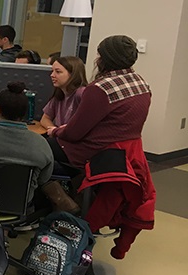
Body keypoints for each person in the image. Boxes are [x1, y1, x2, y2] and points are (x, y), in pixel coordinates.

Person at [51, 35, 154, 259]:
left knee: (39, 151)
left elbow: (75, 133)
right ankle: (73, 198)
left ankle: (60, 206)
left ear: (104, 59)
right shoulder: (141, 83)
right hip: (127, 154)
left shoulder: (101, 88)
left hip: (95, 155)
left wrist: (56, 131)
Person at [40, 56, 87, 132]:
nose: (52, 75)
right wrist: (54, 129)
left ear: (72, 74)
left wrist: (57, 131)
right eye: (52, 71)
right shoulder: (59, 93)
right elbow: (45, 119)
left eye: (58, 72)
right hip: (61, 137)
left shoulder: (81, 93)